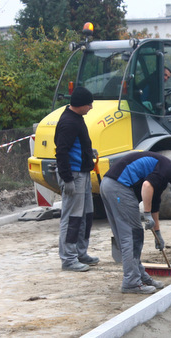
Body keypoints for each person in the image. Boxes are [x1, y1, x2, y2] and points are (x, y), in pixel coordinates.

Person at [99, 152, 171, 294]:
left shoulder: (165, 173)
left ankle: (140, 276)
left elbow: (155, 202)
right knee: (132, 236)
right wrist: (146, 214)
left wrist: (157, 232)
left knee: (129, 236)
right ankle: (131, 282)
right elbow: (147, 186)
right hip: (120, 187)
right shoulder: (167, 168)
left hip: (110, 185)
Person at [54, 86, 99, 272]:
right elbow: (61, 152)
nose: (91, 107)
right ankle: (68, 259)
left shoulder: (77, 119)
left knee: (86, 215)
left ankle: (81, 252)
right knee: (72, 218)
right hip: (74, 175)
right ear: (80, 104)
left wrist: (89, 153)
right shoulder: (68, 123)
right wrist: (67, 179)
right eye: (89, 104)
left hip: (83, 172)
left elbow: (77, 145)